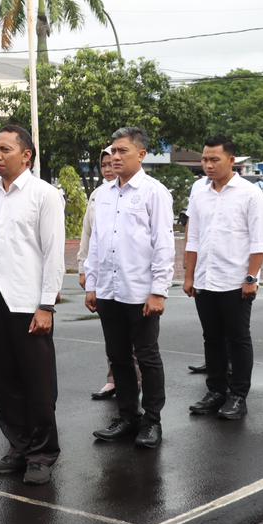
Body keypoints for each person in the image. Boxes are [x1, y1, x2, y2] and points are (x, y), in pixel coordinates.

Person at [0, 125, 66, 485]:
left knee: (37, 383)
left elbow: (53, 253)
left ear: (26, 155)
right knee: (5, 380)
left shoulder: (44, 195)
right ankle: (18, 446)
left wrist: (46, 305)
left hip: (28, 301)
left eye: (5, 150)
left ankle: (42, 453)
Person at [83, 127, 175, 449]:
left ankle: (152, 420)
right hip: (109, 291)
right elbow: (97, 242)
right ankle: (127, 416)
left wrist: (158, 291)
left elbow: (163, 244)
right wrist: (92, 284)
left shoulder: (154, 192)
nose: (115, 157)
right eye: (113, 151)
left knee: (147, 357)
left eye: (123, 151)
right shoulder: (104, 194)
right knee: (118, 356)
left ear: (142, 154)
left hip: (140, 291)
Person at [183, 136, 263, 420]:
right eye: (204, 159)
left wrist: (251, 278)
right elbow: (193, 237)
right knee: (212, 339)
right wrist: (189, 275)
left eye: (214, 160)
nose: (208, 165)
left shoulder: (249, 193)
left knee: (238, 338)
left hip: (235, 281)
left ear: (231, 161)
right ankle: (216, 391)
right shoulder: (199, 192)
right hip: (205, 279)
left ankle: (238, 395)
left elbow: (259, 241)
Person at [79, 149, 120, 401]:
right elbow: (88, 234)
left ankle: (135, 383)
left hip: (128, 278)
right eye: (103, 164)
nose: (108, 169)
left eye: (111, 163)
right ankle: (114, 380)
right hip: (102, 275)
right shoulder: (98, 195)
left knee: (134, 341)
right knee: (112, 337)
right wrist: (83, 268)